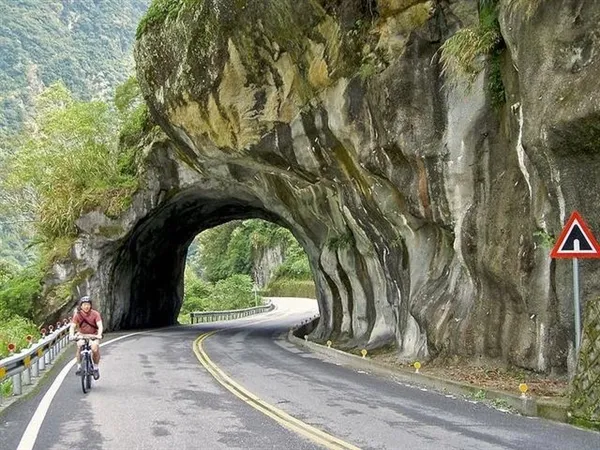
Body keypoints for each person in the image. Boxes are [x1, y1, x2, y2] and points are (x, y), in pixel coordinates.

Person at [69, 296, 103, 379]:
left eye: (88, 304)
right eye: (84, 304)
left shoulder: (95, 314)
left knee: (95, 349)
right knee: (80, 346)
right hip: (82, 334)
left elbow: (100, 325)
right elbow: (72, 326)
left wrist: (99, 334)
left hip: (93, 335)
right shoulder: (77, 315)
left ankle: (95, 368)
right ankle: (79, 366)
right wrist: (71, 335)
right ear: (81, 306)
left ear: (90, 305)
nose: (86, 306)